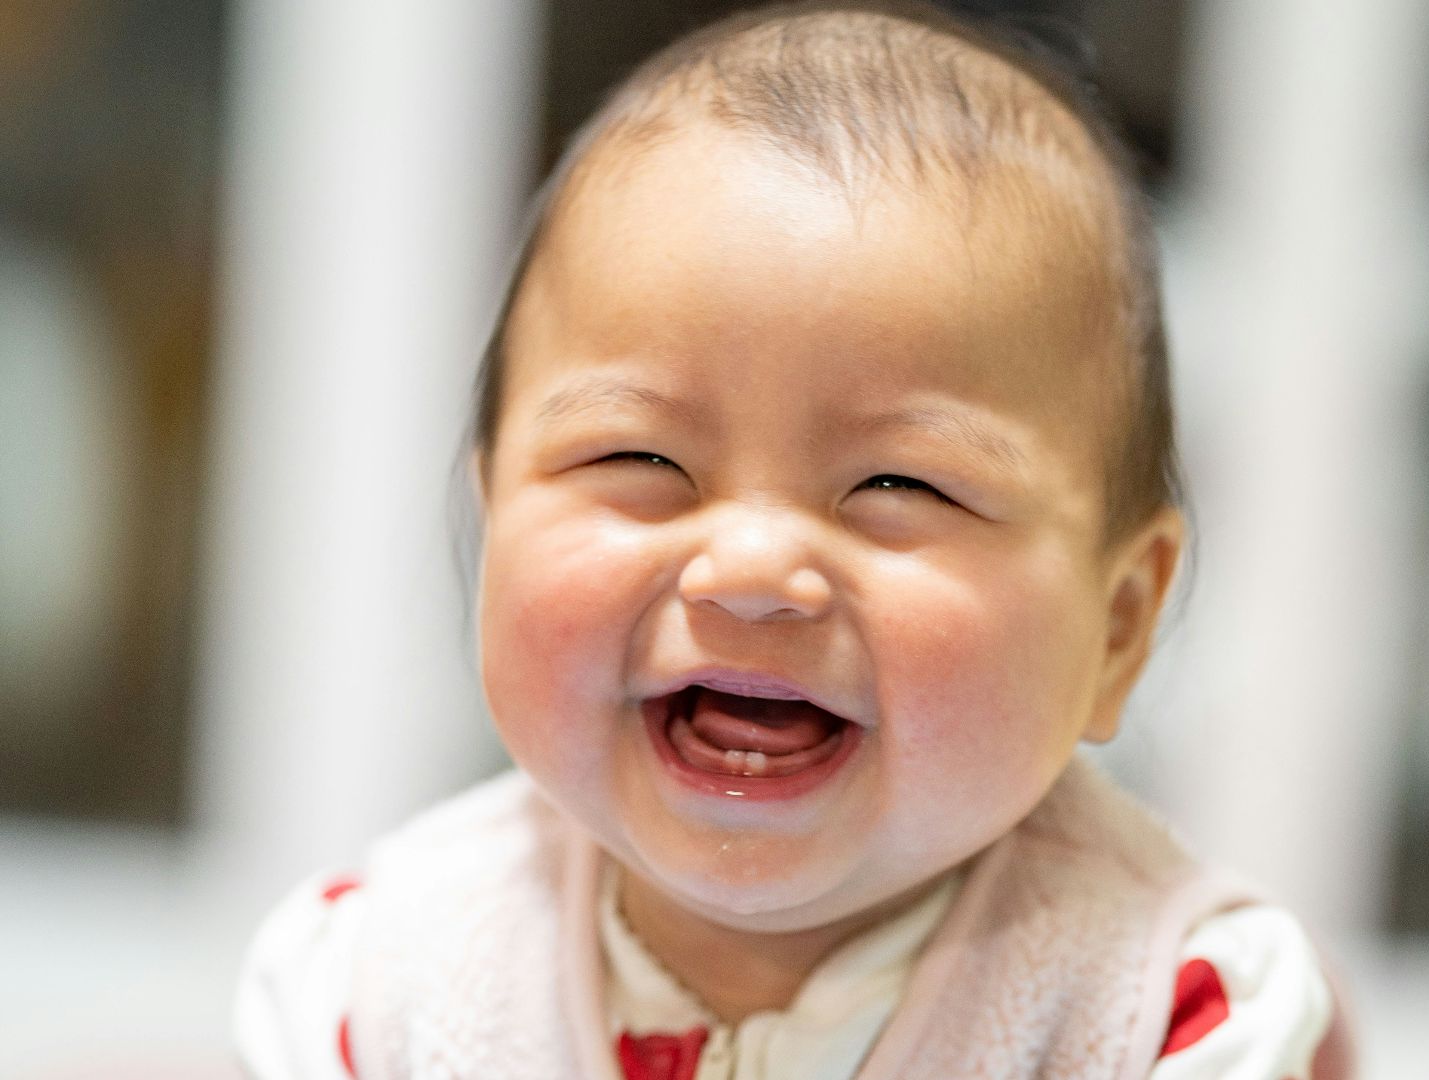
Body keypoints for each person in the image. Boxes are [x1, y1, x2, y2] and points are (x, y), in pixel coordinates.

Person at [234, 3, 1350, 1076]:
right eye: (641, 463)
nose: (755, 568)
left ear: (1116, 630)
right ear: (494, 533)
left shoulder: (1172, 1011)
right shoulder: (373, 989)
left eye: (900, 483)